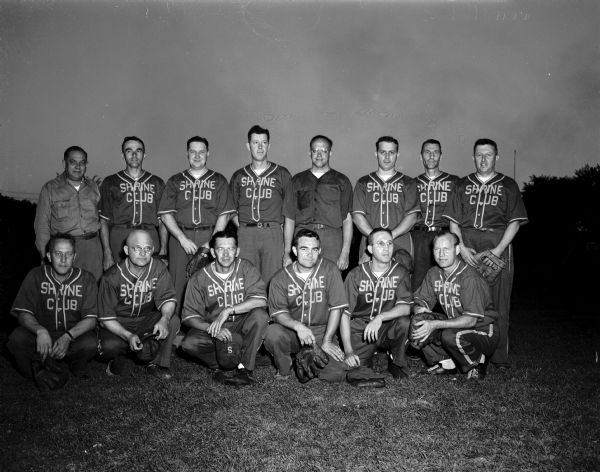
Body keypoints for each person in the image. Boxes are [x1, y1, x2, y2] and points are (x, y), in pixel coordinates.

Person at [443, 139, 528, 371]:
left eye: (488, 155)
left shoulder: (508, 185)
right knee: (465, 300)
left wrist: (498, 250)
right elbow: (453, 222)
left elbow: (515, 222)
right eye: (479, 155)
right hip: (468, 242)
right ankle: (467, 351)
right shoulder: (461, 184)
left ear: (496, 157)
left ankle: (498, 358)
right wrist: (460, 246)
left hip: (497, 242)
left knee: (499, 302)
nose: (483, 159)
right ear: (473, 157)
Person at [180, 228, 269, 386]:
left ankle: (244, 369)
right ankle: (216, 366)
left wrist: (228, 310)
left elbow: (261, 300)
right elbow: (188, 317)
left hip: (242, 324)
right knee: (189, 343)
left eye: (231, 249)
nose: (226, 254)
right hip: (214, 326)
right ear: (213, 252)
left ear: (237, 251)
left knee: (260, 316)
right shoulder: (199, 278)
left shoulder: (246, 268)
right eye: (221, 249)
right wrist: (211, 329)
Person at [7, 234, 98, 384]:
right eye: (58, 254)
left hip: (71, 334)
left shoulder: (87, 279)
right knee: (17, 338)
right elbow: (23, 313)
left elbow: (91, 319)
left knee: (90, 342)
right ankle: (36, 372)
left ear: (74, 256)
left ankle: (75, 367)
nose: (63, 259)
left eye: (68, 254)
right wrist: (40, 331)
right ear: (49, 256)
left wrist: (68, 336)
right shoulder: (36, 275)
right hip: (42, 334)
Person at [158, 136, 235, 310]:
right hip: (180, 238)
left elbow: (224, 215)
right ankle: (178, 326)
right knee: (178, 283)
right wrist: (181, 239)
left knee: (211, 283)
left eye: (201, 152)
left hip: (210, 235)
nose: (197, 156)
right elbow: (165, 215)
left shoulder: (219, 180)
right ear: (187, 154)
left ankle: (209, 326)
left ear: (208, 153)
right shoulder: (175, 180)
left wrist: (210, 243)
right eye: (193, 152)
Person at [412, 230, 500, 379]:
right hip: (457, 326)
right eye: (437, 249)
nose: (441, 254)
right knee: (418, 320)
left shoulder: (470, 277)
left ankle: (478, 361)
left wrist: (434, 325)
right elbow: (420, 300)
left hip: (483, 330)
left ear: (457, 250)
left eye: (446, 249)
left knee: (448, 334)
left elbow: (471, 320)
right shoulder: (434, 273)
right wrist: (421, 313)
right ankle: (446, 364)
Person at [264, 229, 349, 382]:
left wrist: (327, 340)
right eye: (304, 249)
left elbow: (337, 307)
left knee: (337, 374)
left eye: (314, 249)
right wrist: (298, 326)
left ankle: (303, 357)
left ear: (320, 250)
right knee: (273, 333)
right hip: (291, 331)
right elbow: (278, 314)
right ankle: (284, 368)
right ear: (295, 250)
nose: (310, 254)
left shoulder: (330, 269)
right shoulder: (280, 278)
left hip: (321, 331)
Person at [97, 229, 178, 379]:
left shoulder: (158, 267)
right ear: (127, 250)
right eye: (137, 248)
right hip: (119, 322)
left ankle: (155, 362)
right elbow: (106, 318)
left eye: (147, 249)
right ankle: (118, 360)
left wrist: (164, 319)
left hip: (144, 319)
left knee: (172, 320)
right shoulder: (111, 277)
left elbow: (168, 298)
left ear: (153, 250)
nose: (143, 253)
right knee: (109, 346)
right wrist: (128, 336)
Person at [341, 228, 413, 380]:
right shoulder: (356, 274)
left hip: (387, 326)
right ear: (370, 249)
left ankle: (396, 361)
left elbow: (406, 307)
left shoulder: (400, 271)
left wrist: (380, 317)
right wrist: (348, 350)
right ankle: (366, 356)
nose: (386, 248)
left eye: (389, 243)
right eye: (380, 244)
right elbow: (345, 314)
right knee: (355, 368)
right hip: (361, 328)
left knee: (404, 322)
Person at [34, 145, 109, 280]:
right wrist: (44, 256)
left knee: (92, 290)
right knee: (65, 293)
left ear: (86, 164)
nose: (78, 167)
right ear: (64, 163)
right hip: (63, 250)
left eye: (82, 163)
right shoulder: (50, 188)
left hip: (92, 248)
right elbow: (41, 225)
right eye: (73, 162)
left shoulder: (94, 188)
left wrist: (106, 252)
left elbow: (103, 221)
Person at [229, 125, 292, 283]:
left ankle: (272, 308)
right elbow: (231, 209)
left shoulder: (282, 173)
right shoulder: (239, 175)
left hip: (272, 232)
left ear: (269, 145)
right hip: (246, 234)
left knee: (273, 281)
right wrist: (244, 227)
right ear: (248, 145)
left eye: (264, 142)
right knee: (246, 280)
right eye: (255, 142)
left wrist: (287, 250)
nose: (260, 146)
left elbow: (290, 215)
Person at [283, 135, 353, 270]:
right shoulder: (296, 180)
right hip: (303, 236)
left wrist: (345, 252)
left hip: (332, 239)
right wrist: (287, 252)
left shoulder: (342, 181)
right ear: (310, 153)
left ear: (330, 153)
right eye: (315, 151)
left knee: (331, 282)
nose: (319, 155)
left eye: (324, 151)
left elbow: (347, 219)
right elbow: (289, 218)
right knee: (304, 280)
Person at [99, 136, 168, 269]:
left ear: (144, 154)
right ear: (123, 155)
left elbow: (162, 220)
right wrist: (107, 252)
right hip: (120, 237)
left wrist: (164, 249)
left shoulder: (156, 182)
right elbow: (104, 221)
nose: (134, 155)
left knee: (150, 283)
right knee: (120, 281)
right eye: (129, 151)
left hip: (150, 235)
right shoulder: (111, 182)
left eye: (139, 150)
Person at [353, 136, 420, 264]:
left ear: (397, 155)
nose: (387, 157)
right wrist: (376, 239)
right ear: (376, 154)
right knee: (369, 281)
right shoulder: (363, 182)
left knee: (400, 281)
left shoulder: (408, 183)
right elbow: (357, 216)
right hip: (370, 243)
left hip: (400, 242)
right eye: (383, 152)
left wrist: (389, 237)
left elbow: (412, 217)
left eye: (392, 153)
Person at [411, 139, 459, 290]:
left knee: (447, 281)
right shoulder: (412, 183)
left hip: (445, 234)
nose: (431, 156)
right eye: (427, 152)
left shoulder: (455, 182)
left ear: (441, 156)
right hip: (419, 237)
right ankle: (419, 313)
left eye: (435, 152)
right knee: (418, 282)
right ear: (421, 156)